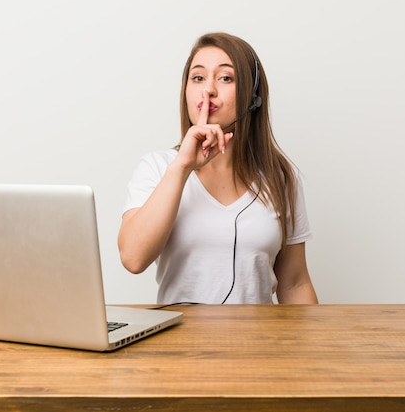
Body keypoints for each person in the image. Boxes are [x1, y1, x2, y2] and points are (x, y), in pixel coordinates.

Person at [118, 32, 318, 305]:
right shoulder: (158, 167)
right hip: (177, 345)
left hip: (261, 345)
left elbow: (295, 283)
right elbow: (133, 258)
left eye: (226, 78)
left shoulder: (279, 176)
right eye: (198, 78)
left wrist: (312, 345)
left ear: (252, 97)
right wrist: (182, 167)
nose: (208, 90)